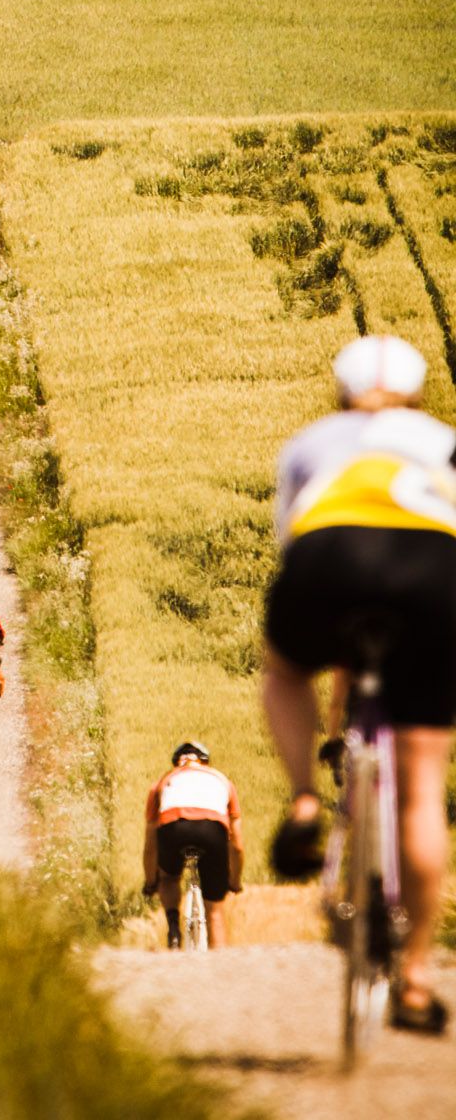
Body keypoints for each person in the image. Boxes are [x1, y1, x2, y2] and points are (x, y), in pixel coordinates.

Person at [263, 334, 456, 1033]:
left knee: (284, 669)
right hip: (434, 572)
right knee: (423, 786)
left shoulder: (311, 442)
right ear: (420, 392)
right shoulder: (443, 441)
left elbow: (293, 542)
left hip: (329, 558)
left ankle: (306, 805)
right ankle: (413, 979)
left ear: (340, 393)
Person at [142, 743, 244, 950]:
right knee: (215, 911)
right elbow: (237, 845)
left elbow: (150, 844)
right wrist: (234, 881)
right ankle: (218, 962)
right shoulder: (222, 780)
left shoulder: (163, 781)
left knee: (169, 878)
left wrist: (152, 881)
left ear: (176, 764)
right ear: (205, 763)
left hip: (173, 826)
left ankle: (173, 930)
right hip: (213, 829)